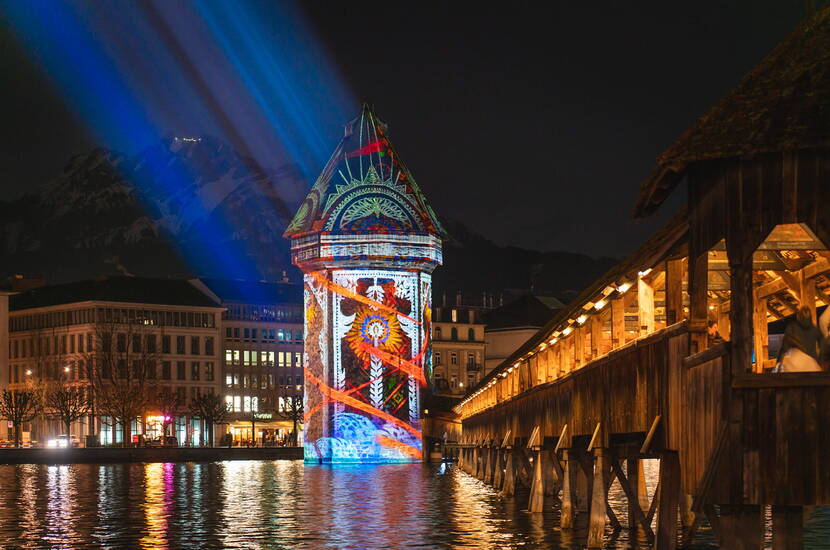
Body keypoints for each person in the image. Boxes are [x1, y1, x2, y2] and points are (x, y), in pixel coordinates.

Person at [776, 305, 823, 372]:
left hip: (796, 363)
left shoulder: (792, 328)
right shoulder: (815, 330)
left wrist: (778, 362)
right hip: (811, 366)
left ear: (798, 317)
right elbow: (822, 348)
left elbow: (784, 347)